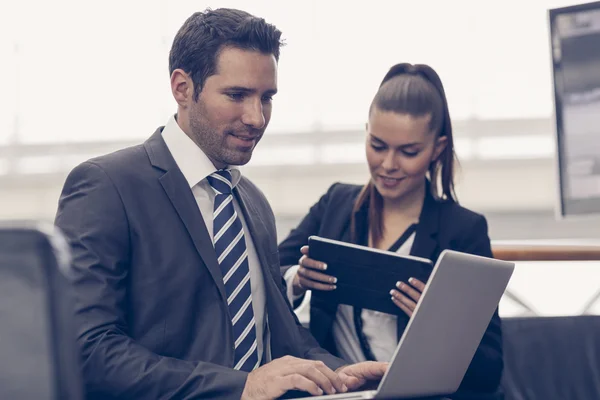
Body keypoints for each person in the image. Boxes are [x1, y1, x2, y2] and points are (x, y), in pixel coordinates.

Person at [54, 8, 386, 400]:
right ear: (182, 87)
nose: (257, 118)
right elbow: (87, 351)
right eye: (237, 95)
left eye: (267, 98)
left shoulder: (253, 203)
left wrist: (339, 373)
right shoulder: (107, 186)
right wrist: (240, 386)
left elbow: (278, 331)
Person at [279, 63, 503, 393]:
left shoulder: (463, 231)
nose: (387, 165)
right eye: (378, 145)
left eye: (408, 152)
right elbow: (270, 274)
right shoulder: (336, 205)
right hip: (339, 393)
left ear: (436, 150)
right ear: (366, 132)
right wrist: (297, 279)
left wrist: (440, 324)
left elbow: (490, 368)